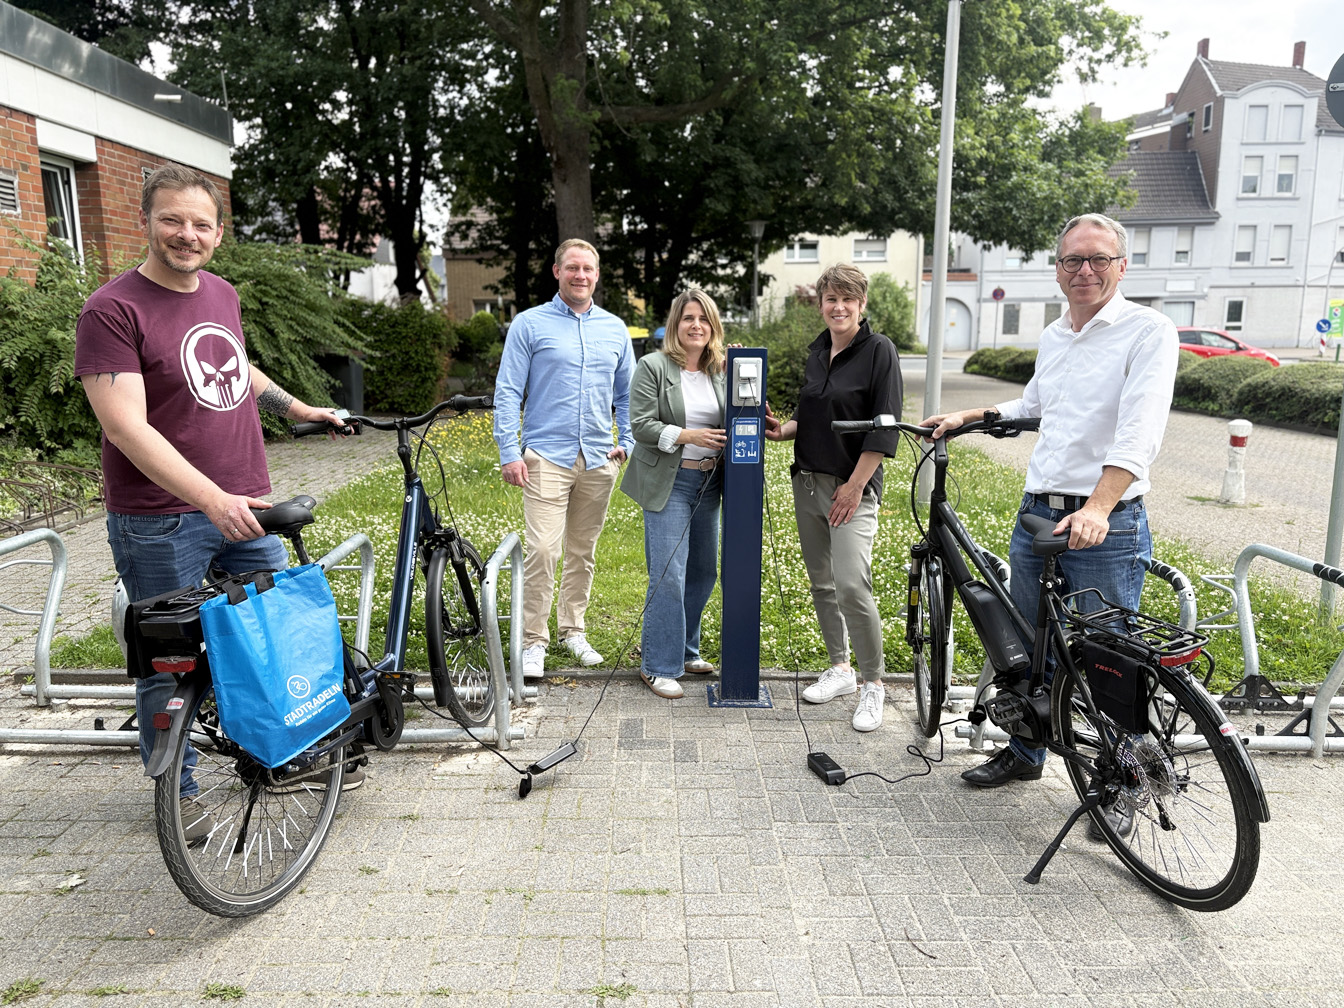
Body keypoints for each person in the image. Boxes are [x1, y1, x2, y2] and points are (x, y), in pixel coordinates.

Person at [74, 164, 352, 841]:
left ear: (220, 233)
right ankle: (181, 790)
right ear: (145, 221)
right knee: (169, 661)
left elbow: (236, 365)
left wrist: (301, 407)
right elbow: (124, 426)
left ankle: (277, 752)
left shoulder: (221, 294)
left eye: (201, 224)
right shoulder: (112, 310)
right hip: (160, 520)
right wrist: (210, 498)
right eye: (172, 220)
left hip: (245, 504)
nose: (186, 234)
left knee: (265, 636)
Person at [922, 212, 1178, 828]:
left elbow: (1139, 434)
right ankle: (1026, 750)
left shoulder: (1148, 331)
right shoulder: (1057, 333)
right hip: (1039, 511)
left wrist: (1098, 506)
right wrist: (974, 415)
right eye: (1072, 261)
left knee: (1108, 662)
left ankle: (1122, 783)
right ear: (1057, 269)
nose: (1084, 271)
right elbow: (1035, 404)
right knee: (1025, 649)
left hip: (1104, 522)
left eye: (1097, 259)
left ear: (1123, 265)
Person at [764, 264, 902, 732]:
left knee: (851, 586)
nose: (838, 307)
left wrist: (857, 484)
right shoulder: (817, 351)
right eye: (830, 299)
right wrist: (780, 431)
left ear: (862, 304)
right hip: (807, 483)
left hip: (851, 487)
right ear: (820, 304)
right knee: (822, 584)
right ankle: (840, 669)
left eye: (848, 299)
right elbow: (813, 415)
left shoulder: (879, 350)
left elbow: (884, 429)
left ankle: (873, 684)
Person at [493, 239, 635, 678]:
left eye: (588, 269)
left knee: (582, 551)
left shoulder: (615, 329)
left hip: (597, 457)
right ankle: (533, 641)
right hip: (545, 457)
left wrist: (625, 441)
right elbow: (508, 390)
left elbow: (627, 394)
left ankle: (572, 630)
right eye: (572, 267)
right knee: (542, 549)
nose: (580, 275)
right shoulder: (529, 324)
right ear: (556, 272)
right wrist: (509, 451)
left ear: (597, 275)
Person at [620, 289, 729, 698]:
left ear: (712, 325)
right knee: (668, 573)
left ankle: (685, 650)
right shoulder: (653, 366)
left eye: (703, 318)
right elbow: (641, 426)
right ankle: (658, 665)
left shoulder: (721, 369)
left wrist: (742, 364)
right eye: (687, 318)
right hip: (671, 481)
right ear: (675, 325)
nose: (696, 325)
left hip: (711, 482)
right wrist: (687, 435)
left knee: (703, 571)